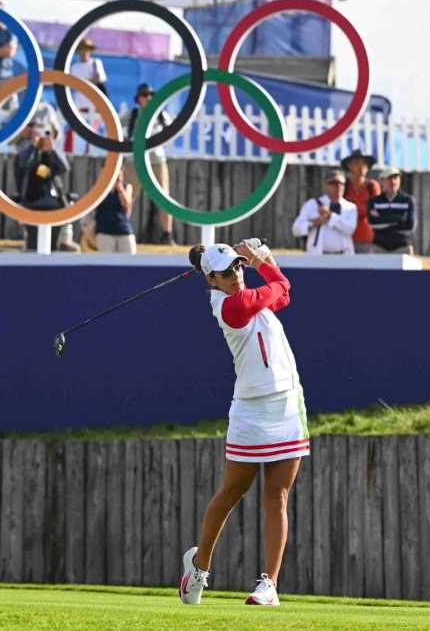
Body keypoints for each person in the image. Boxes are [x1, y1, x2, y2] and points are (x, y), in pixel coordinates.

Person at [180, 240, 308, 607]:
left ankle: (270, 585)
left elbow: (281, 295)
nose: (236, 276)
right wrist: (264, 261)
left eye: (238, 268)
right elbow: (281, 288)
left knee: (277, 496)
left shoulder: (251, 297)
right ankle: (199, 568)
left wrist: (262, 262)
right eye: (226, 273)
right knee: (231, 492)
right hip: (251, 411)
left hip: (286, 404)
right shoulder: (231, 307)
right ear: (212, 281)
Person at [121, 83, 174, 244]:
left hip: (156, 160)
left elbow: (172, 130)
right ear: (138, 99)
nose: (148, 98)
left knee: (164, 198)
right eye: (145, 95)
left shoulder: (161, 115)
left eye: (151, 94)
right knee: (127, 196)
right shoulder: (132, 114)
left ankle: (167, 235)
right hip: (134, 160)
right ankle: (120, 229)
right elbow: (115, 127)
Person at [14, 124, 71, 251]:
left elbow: (64, 168)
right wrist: (34, 147)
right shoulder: (27, 152)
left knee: (53, 246)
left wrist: (52, 150)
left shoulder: (53, 152)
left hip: (54, 205)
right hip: (33, 204)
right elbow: (23, 165)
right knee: (33, 246)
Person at [291, 170, 356, 255]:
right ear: (325, 185)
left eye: (341, 183)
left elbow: (350, 229)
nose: (338, 186)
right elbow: (296, 229)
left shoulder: (350, 207)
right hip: (318, 257)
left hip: (344, 257)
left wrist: (330, 216)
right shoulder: (312, 204)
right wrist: (313, 223)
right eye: (333, 183)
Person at [66, 39, 107, 155]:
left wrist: (84, 83)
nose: (84, 52)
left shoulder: (95, 63)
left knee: (94, 137)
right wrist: (87, 83)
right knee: (78, 138)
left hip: (95, 107)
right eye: (82, 49)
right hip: (80, 106)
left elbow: (100, 78)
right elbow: (73, 84)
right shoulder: (75, 67)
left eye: (86, 49)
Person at [340, 149, 380, 254]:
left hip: (368, 238)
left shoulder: (372, 186)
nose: (361, 167)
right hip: (346, 238)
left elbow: (377, 210)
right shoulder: (344, 186)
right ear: (349, 166)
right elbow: (338, 209)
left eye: (365, 164)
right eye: (357, 163)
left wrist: (352, 210)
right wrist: (364, 209)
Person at [367, 167, 416, 254]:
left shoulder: (408, 200)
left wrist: (382, 218)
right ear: (382, 181)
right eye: (389, 178)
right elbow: (372, 223)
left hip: (403, 247)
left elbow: (410, 226)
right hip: (379, 247)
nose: (393, 181)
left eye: (396, 178)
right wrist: (398, 219)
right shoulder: (374, 201)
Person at [94, 168, 135, 254]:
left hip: (123, 230)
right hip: (105, 231)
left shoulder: (126, 187)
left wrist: (119, 187)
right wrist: (108, 187)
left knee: (129, 262)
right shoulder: (99, 188)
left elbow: (126, 204)